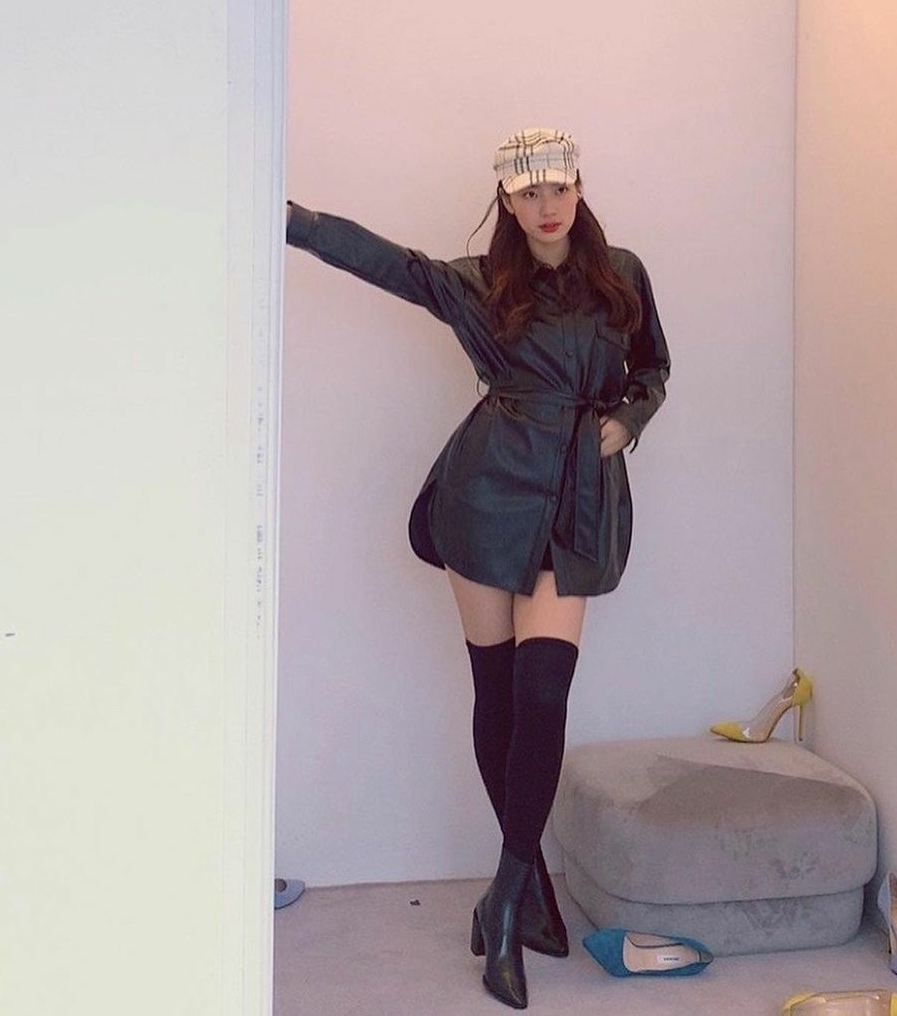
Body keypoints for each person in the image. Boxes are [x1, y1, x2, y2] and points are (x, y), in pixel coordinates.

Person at [285, 128, 670, 1009]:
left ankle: (504, 897)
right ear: (507, 201)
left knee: (544, 694)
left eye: (558, 187)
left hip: (577, 499)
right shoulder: (480, 284)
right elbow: (389, 263)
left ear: (579, 186)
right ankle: (526, 890)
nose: (547, 205)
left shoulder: (623, 274)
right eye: (529, 193)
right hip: (489, 491)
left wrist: (629, 419)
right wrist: (295, 221)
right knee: (496, 692)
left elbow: (653, 366)